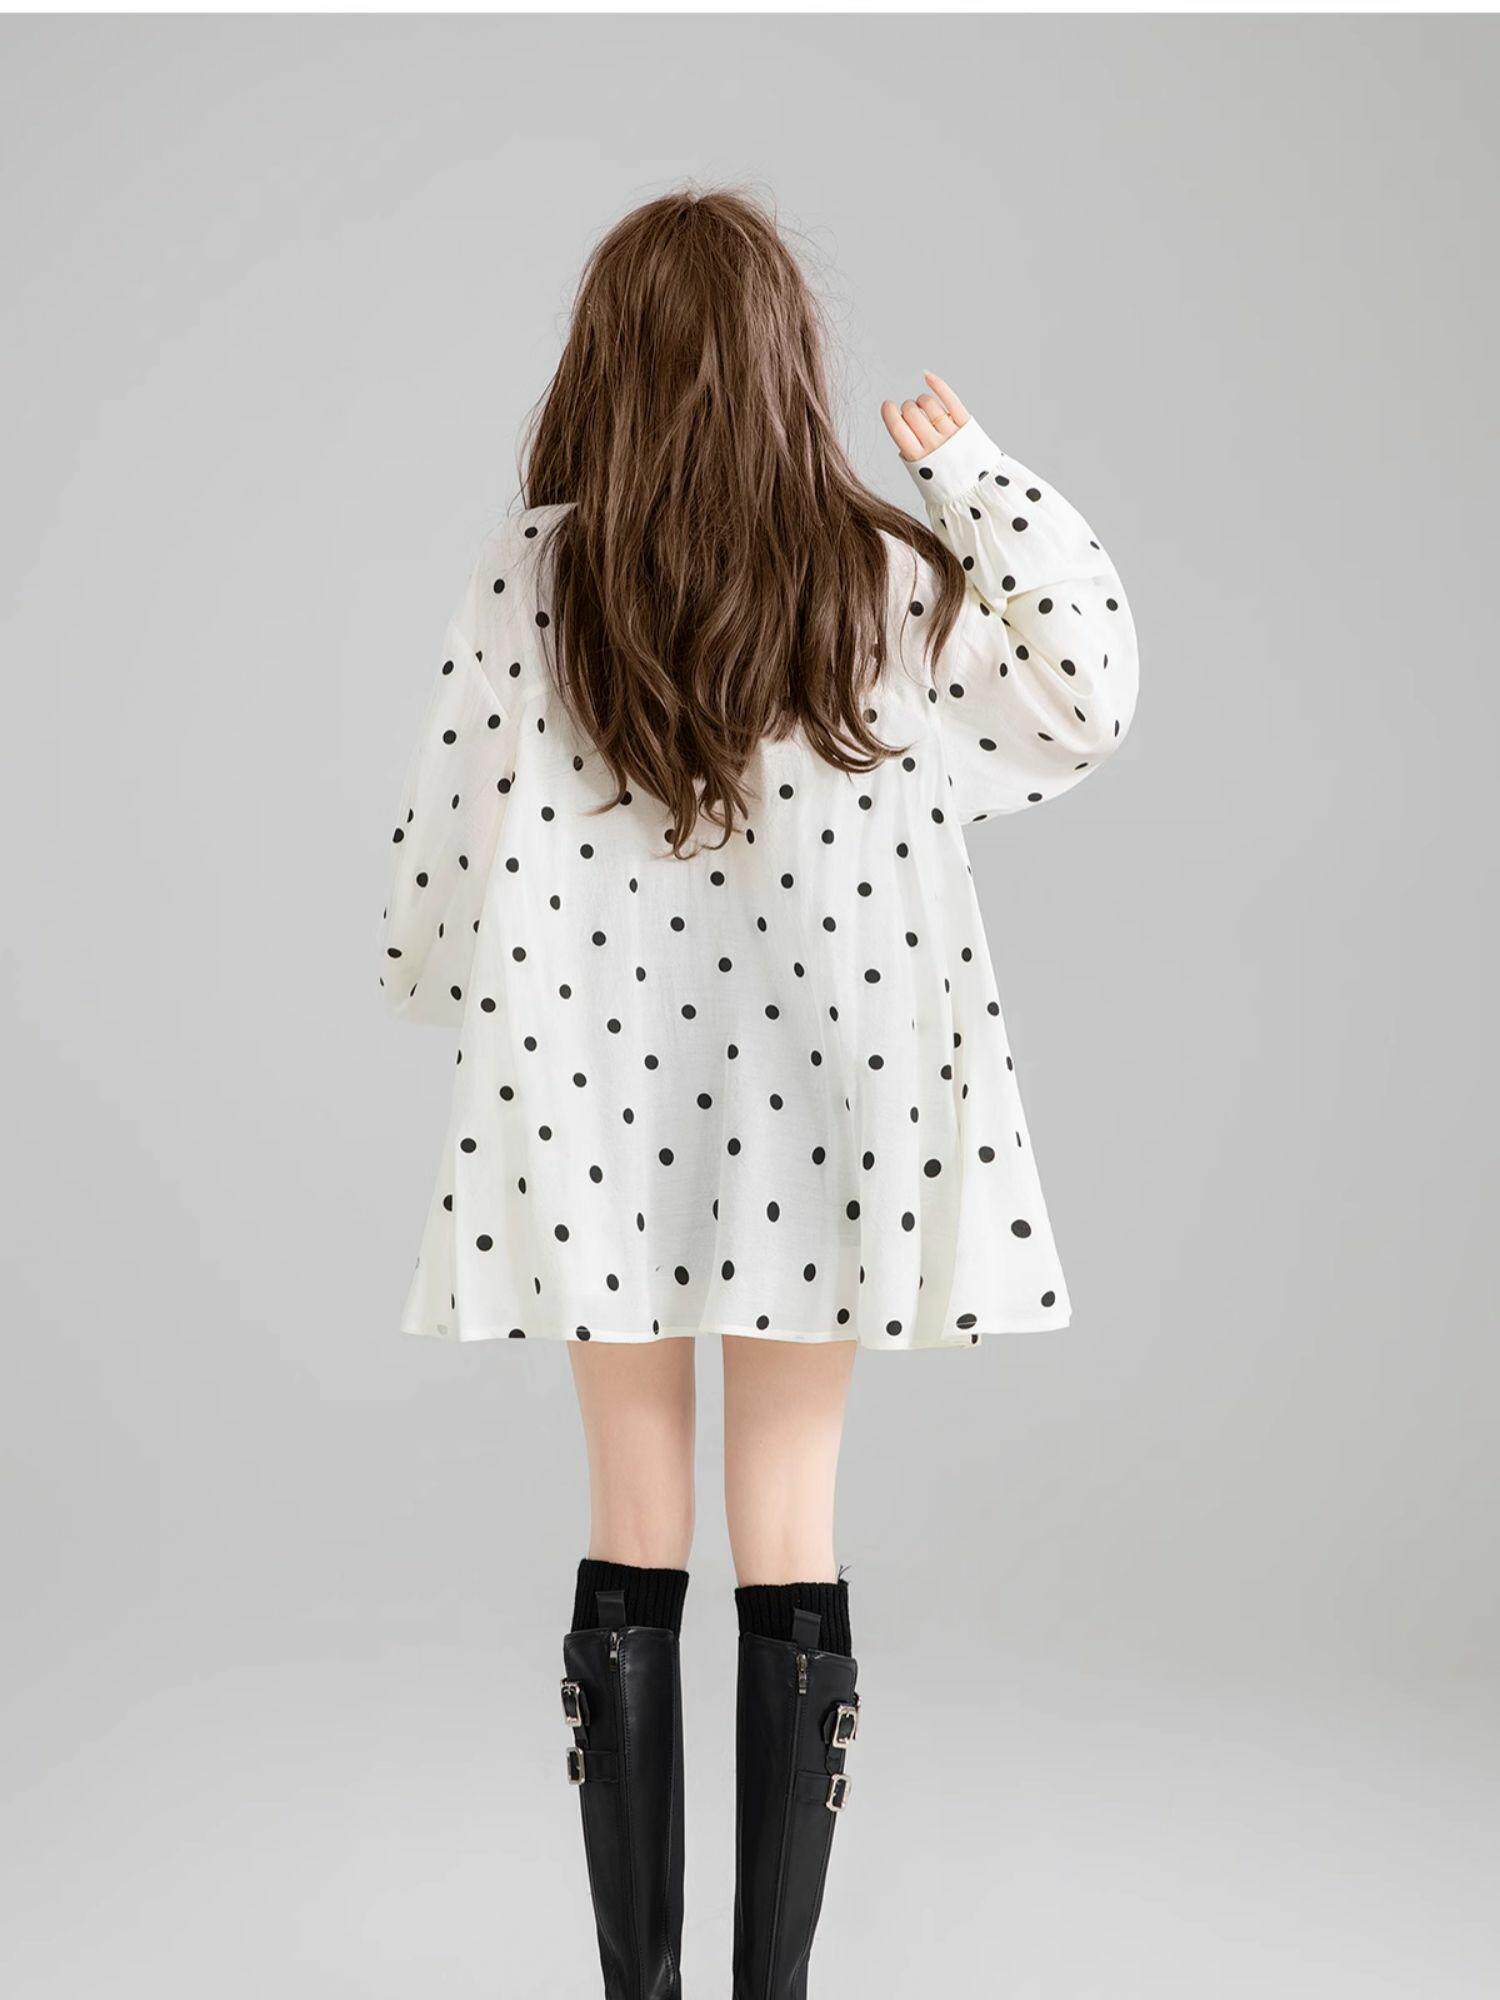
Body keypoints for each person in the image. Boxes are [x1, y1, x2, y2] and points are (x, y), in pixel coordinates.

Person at [377, 185, 1138, 1998]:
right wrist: (979, 483)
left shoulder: (537, 571)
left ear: (606, 363)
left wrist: (461, 991)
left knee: (630, 1517)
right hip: (832, 1099)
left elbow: (451, 849)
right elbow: (1082, 698)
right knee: (788, 1520)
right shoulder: (879, 575)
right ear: (788, 362)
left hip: (591, 1093)